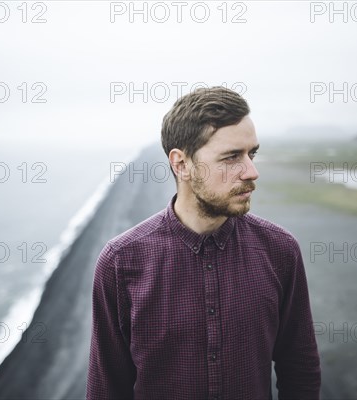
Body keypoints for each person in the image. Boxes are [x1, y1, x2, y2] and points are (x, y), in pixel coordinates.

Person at [86, 86, 321, 399]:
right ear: (181, 164)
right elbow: (107, 387)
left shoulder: (280, 250)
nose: (252, 172)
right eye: (231, 158)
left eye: (251, 154)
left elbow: (300, 370)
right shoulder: (122, 261)